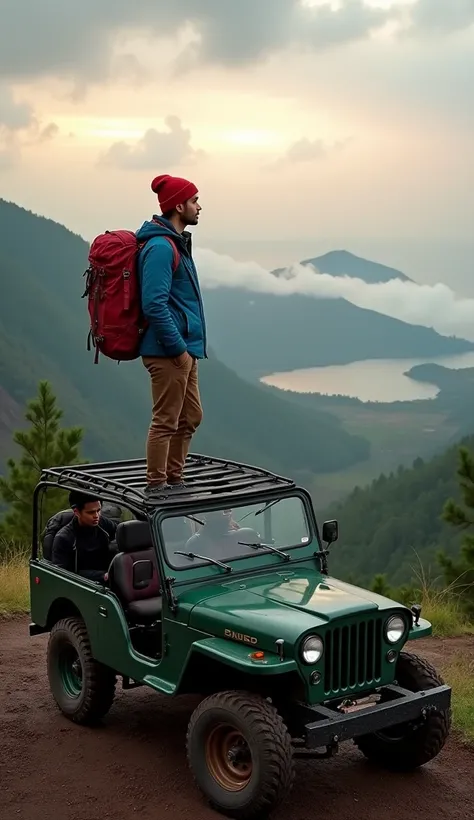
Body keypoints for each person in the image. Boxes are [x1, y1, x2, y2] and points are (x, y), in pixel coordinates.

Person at [136, 174, 207, 501]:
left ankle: (175, 478)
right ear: (178, 205)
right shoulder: (161, 248)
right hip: (168, 352)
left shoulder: (176, 243)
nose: (199, 207)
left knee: (190, 416)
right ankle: (157, 486)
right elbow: (154, 303)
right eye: (194, 201)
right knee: (166, 420)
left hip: (183, 350)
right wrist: (178, 350)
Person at [51, 491, 118, 583]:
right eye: (91, 512)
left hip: (109, 579)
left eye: (98, 510)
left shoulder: (104, 524)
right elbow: (62, 575)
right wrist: (102, 576)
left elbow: (122, 536)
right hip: (82, 586)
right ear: (77, 512)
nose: (96, 516)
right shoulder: (64, 538)